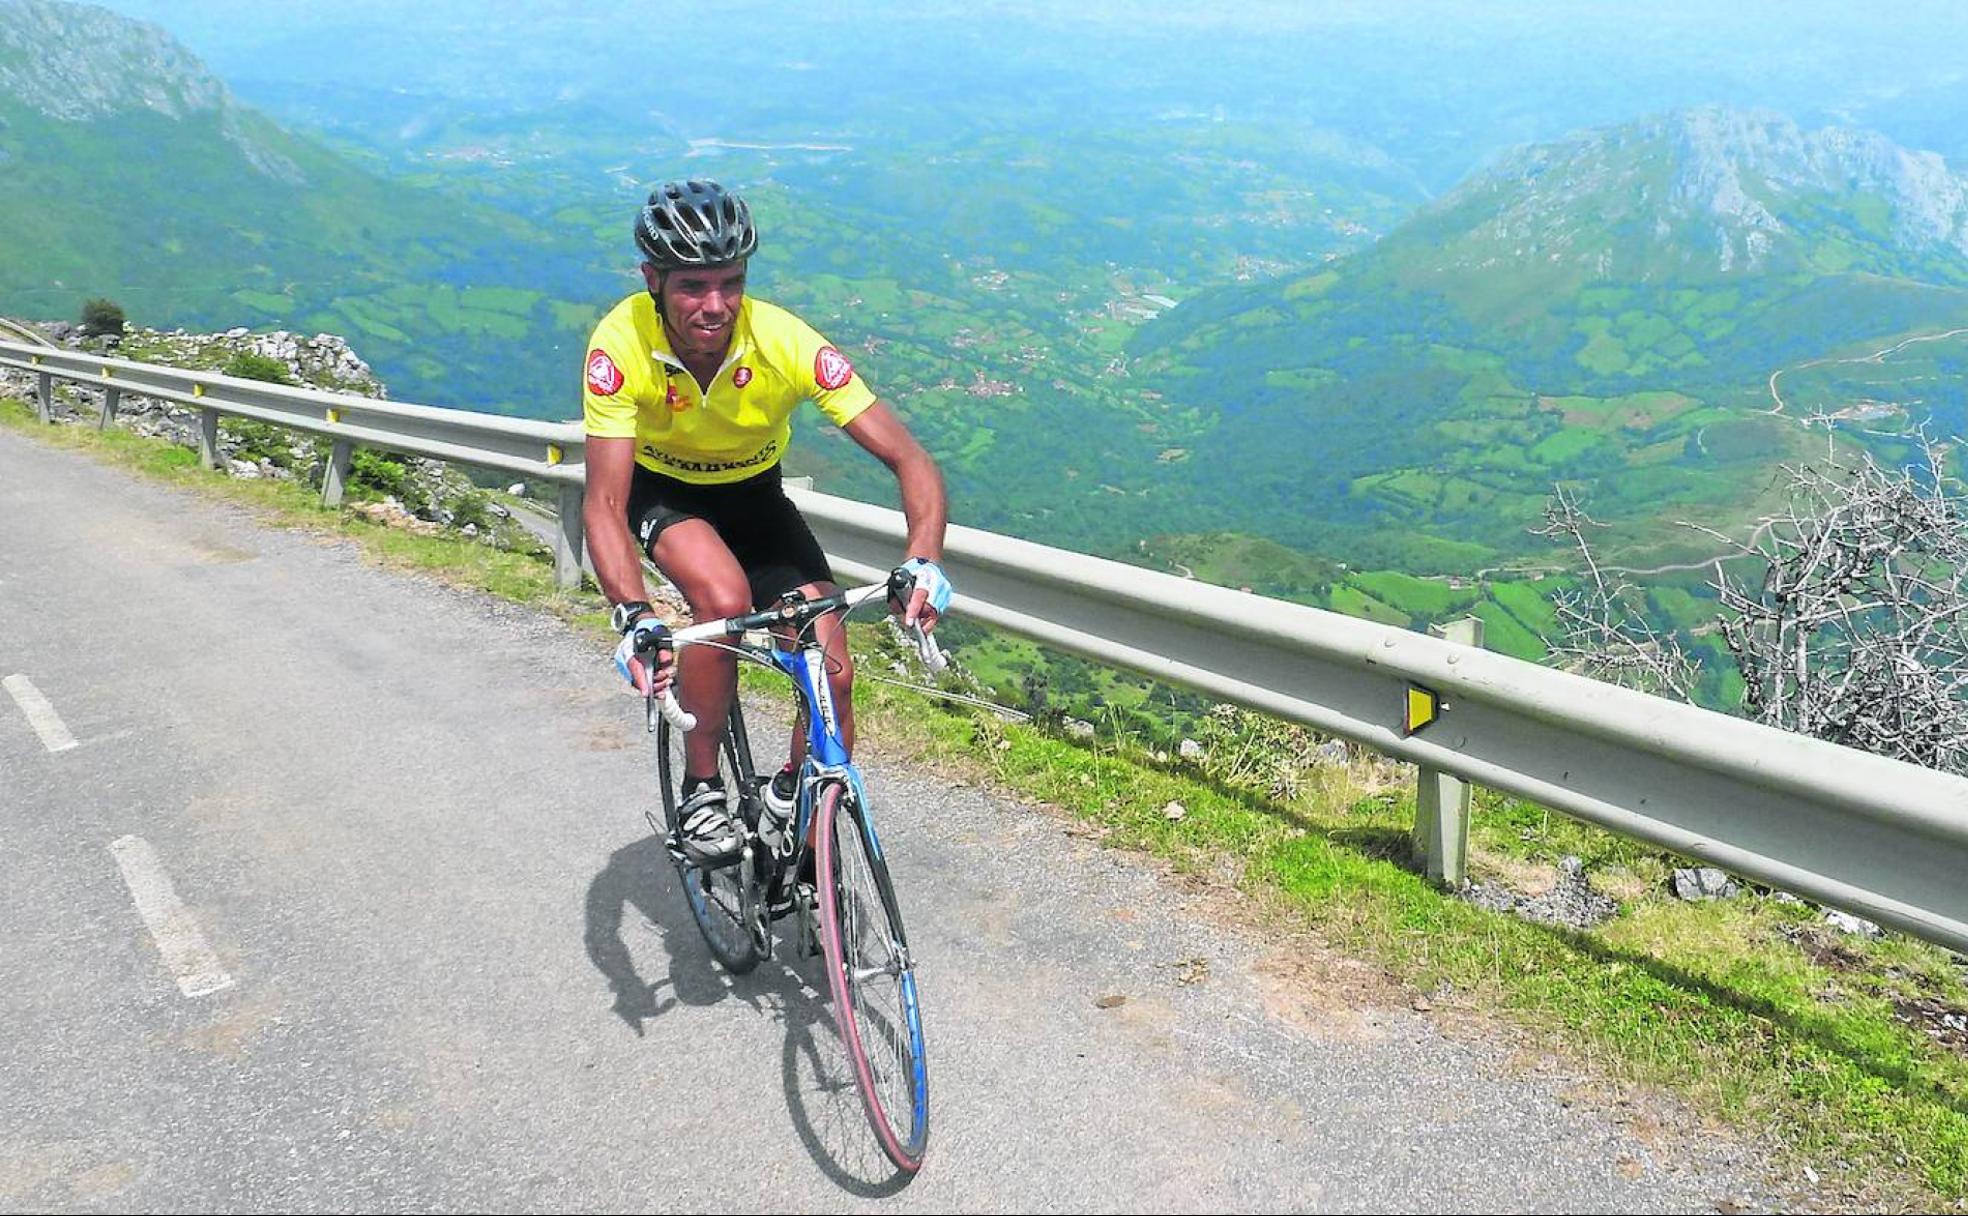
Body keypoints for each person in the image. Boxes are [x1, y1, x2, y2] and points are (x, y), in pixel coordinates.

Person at [583, 179, 951, 863]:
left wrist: (923, 558)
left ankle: (795, 797)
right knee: (722, 599)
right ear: (653, 280)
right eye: (693, 286)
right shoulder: (621, 342)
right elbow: (603, 501)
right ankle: (701, 790)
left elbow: (909, 458)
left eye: (731, 283)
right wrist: (633, 612)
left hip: (757, 498)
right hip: (664, 494)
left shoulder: (782, 340)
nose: (716, 305)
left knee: (830, 669)